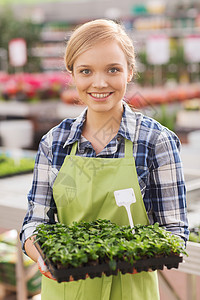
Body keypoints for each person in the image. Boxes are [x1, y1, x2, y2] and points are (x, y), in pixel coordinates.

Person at [20, 19, 189, 300]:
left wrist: (133, 255)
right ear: (72, 75)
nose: (99, 83)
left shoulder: (155, 142)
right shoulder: (55, 142)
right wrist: (42, 254)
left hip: (132, 291)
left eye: (113, 69)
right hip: (66, 290)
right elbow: (36, 221)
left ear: (130, 72)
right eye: (86, 71)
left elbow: (174, 231)